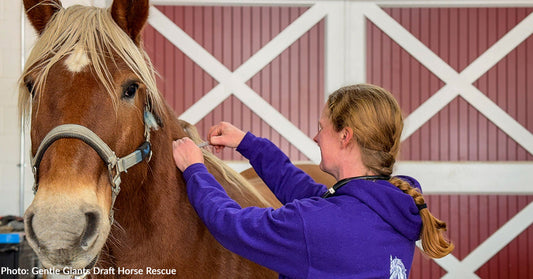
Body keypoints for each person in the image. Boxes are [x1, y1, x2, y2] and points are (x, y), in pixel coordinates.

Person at [172, 84, 454, 278]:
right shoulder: (392, 208)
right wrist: (248, 143)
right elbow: (307, 192)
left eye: (322, 127)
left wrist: (194, 168)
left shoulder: (318, 224)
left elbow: (231, 225)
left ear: (346, 136)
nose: (316, 137)